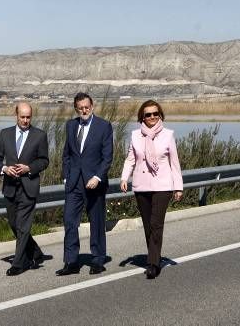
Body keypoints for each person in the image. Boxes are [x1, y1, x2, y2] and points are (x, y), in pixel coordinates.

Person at [120, 99, 183, 279]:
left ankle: (153, 263)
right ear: (142, 117)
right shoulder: (135, 136)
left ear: (160, 115)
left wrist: (178, 187)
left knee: (156, 224)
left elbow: (174, 163)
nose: (152, 117)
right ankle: (154, 255)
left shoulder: (168, 134)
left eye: (155, 113)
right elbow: (130, 159)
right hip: (141, 186)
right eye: (148, 114)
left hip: (163, 186)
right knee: (148, 225)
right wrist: (125, 177)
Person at [0, 102, 51, 276]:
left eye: (28, 117)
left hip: (29, 187)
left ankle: (19, 264)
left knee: (23, 226)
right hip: (10, 187)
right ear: (16, 115)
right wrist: (4, 169)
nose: (25, 120)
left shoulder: (40, 135)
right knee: (14, 224)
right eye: (22, 117)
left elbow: (44, 161)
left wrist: (29, 168)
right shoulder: (5, 134)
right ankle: (36, 253)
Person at [57, 92, 114, 276]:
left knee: (96, 222)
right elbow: (67, 154)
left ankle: (97, 260)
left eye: (87, 107)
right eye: (80, 108)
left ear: (92, 106)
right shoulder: (70, 125)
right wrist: (66, 176)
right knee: (69, 221)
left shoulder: (104, 126)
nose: (84, 110)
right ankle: (71, 261)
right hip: (74, 183)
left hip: (94, 183)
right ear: (76, 108)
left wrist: (97, 177)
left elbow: (107, 157)